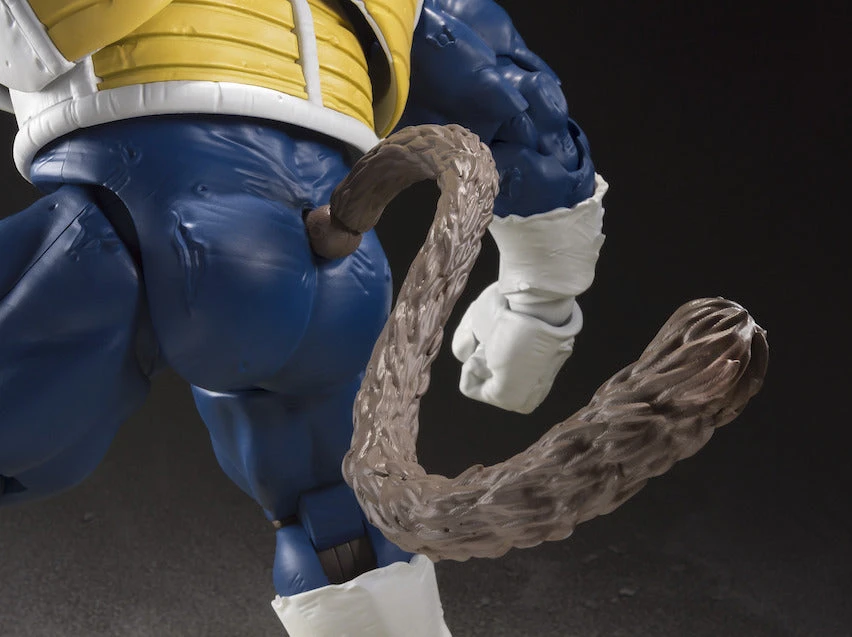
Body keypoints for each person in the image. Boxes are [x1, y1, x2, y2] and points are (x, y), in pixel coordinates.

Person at [0, 1, 606, 634]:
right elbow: (504, 94)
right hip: (339, 265)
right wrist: (541, 294)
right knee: (337, 519)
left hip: (136, 223)